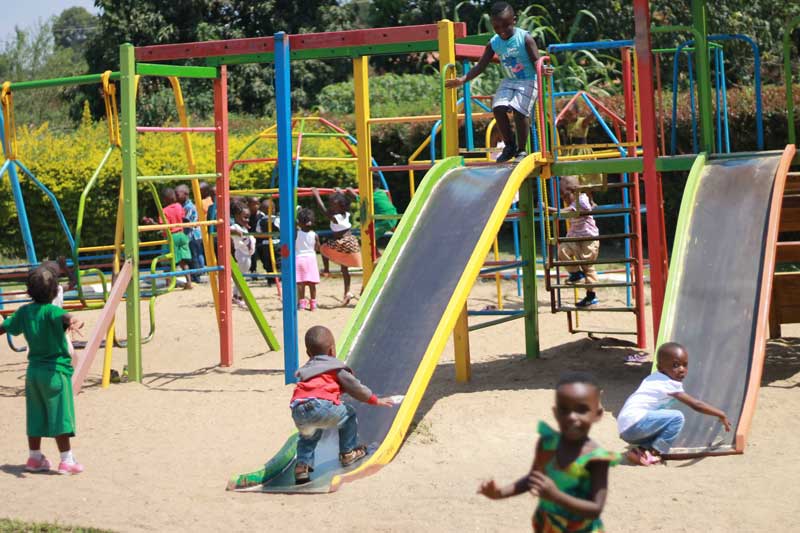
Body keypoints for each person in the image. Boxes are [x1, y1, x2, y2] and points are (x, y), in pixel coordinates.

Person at [478, 372, 618, 532]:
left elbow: (595, 509)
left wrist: (556, 496)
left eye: (582, 410)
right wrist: (499, 493)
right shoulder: (548, 444)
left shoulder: (595, 459)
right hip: (548, 526)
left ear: (597, 415)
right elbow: (534, 478)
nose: (572, 417)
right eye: (564, 410)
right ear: (555, 412)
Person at [0, 266, 85, 475]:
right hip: (56, 372)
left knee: (35, 414)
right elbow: (63, 317)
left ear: (28, 291)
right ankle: (67, 460)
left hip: (33, 374)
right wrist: (72, 321)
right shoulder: (53, 311)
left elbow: (5, 327)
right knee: (61, 415)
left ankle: (35, 457)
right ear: (56, 291)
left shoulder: (24, 312)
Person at [290, 326, 394, 484]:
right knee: (349, 414)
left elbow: (310, 390)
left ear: (308, 354)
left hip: (298, 409)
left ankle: (302, 467)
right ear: (332, 350)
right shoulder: (335, 368)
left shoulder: (306, 370)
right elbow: (355, 388)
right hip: (321, 405)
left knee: (308, 435)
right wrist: (374, 400)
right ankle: (347, 453)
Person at [445, 2, 541, 162]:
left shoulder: (524, 38)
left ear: (514, 21)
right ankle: (509, 146)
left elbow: (537, 61)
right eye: (497, 27)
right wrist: (462, 80)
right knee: (498, 107)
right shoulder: (494, 43)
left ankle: (522, 150)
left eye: (506, 26)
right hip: (509, 80)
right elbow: (481, 66)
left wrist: (543, 69)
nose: (502, 31)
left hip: (528, 79)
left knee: (519, 110)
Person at [617, 342, 731, 466]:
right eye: (676, 365)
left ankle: (639, 452)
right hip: (635, 424)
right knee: (677, 417)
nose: (682, 369)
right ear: (660, 367)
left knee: (665, 424)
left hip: (626, 427)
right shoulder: (668, 384)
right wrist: (721, 413)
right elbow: (696, 404)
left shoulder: (654, 378)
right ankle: (652, 453)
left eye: (685, 365)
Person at [553, 176, 599, 308]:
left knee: (588, 267)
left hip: (588, 240)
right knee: (562, 250)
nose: (564, 199)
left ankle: (591, 297)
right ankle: (575, 273)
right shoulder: (575, 201)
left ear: (574, 191)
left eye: (565, 195)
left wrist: (549, 209)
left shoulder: (582, 200)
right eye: (562, 196)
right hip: (575, 237)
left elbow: (567, 212)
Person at [313, 187, 361, 306]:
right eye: (331, 204)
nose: (331, 207)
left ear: (341, 207)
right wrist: (339, 192)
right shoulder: (346, 213)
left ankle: (326, 270)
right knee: (344, 269)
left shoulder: (336, 217)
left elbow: (323, 210)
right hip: (349, 241)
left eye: (334, 205)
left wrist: (317, 195)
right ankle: (347, 292)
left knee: (323, 248)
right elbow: (342, 201)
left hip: (343, 242)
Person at [142, 187, 192, 290]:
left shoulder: (164, 211)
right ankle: (189, 282)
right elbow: (183, 217)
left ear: (164, 199)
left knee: (167, 260)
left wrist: (152, 223)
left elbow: (163, 226)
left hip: (171, 236)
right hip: (182, 235)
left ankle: (169, 283)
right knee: (183, 261)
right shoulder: (179, 206)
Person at [176, 184, 205, 283]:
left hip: (193, 236)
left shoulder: (189, 207)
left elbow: (186, 221)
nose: (176, 197)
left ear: (186, 194)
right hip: (189, 236)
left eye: (178, 194)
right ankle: (195, 275)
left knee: (194, 256)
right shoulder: (183, 206)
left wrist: (176, 220)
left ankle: (196, 277)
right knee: (192, 256)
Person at [230, 201, 255, 308]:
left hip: (247, 254)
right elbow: (228, 230)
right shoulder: (235, 226)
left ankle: (236, 295)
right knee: (242, 277)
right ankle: (239, 297)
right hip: (242, 254)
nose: (247, 220)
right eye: (244, 217)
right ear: (236, 216)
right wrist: (236, 232)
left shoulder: (244, 227)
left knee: (241, 276)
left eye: (248, 218)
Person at [295, 208, 320, 311]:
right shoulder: (315, 235)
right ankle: (313, 303)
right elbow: (317, 248)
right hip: (311, 258)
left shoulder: (296, 233)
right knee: (311, 283)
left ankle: (302, 303)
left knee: (300, 283)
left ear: (299, 222)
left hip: (299, 258)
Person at [255, 198, 281, 285]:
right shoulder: (277, 219)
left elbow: (258, 232)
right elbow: (282, 230)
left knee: (268, 261)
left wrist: (265, 235)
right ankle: (278, 277)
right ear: (273, 209)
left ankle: (270, 279)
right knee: (278, 261)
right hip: (276, 243)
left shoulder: (261, 221)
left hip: (265, 244)